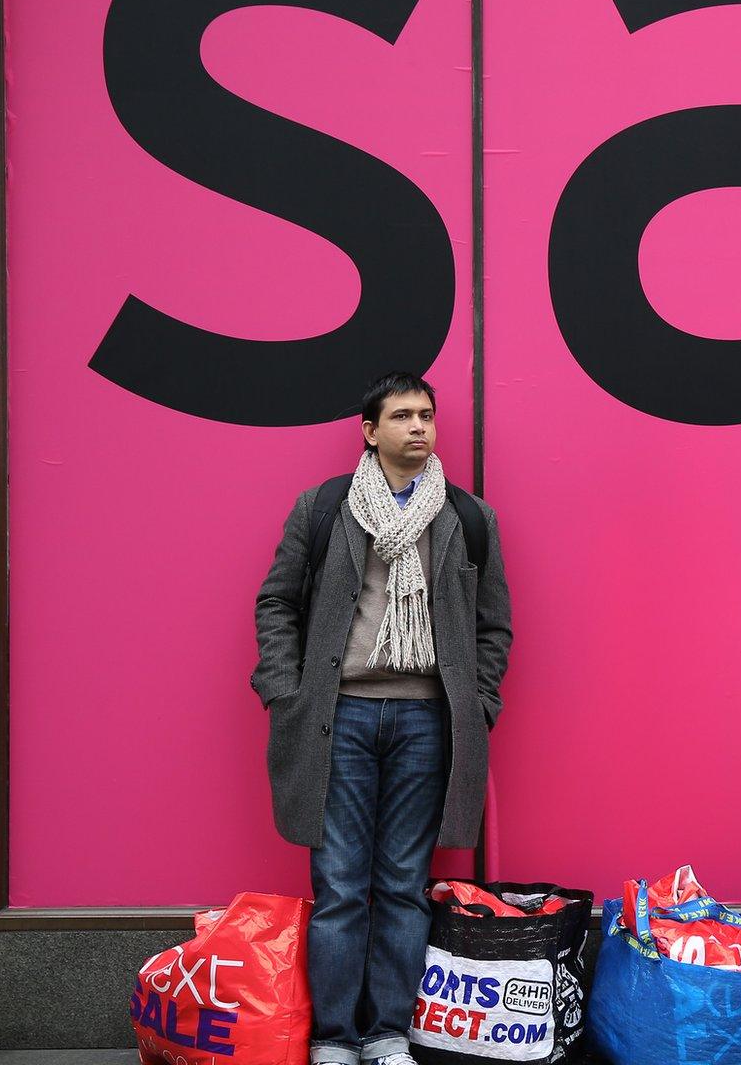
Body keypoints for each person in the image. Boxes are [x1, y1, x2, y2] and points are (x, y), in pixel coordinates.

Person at [251, 371, 513, 1065]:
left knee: (402, 883)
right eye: (401, 416)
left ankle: (389, 1033)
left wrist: (479, 702)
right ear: (370, 431)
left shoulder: (465, 517)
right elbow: (276, 603)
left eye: (426, 415)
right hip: (339, 718)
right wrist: (288, 691)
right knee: (339, 886)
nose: (419, 428)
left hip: (428, 722)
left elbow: (494, 625)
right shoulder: (327, 507)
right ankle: (335, 1037)